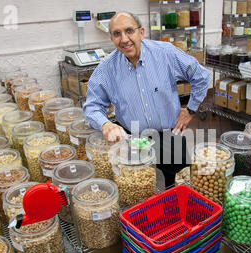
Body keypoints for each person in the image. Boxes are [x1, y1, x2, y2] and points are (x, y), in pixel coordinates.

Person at [83, 11, 210, 187]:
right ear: (112, 38)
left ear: (141, 32)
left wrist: (190, 109)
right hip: (132, 142)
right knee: (141, 193)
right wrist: (105, 124)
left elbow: (201, 76)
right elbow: (92, 106)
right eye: (117, 34)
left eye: (129, 31)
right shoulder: (107, 68)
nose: (124, 39)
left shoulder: (165, 53)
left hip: (169, 137)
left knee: (178, 190)